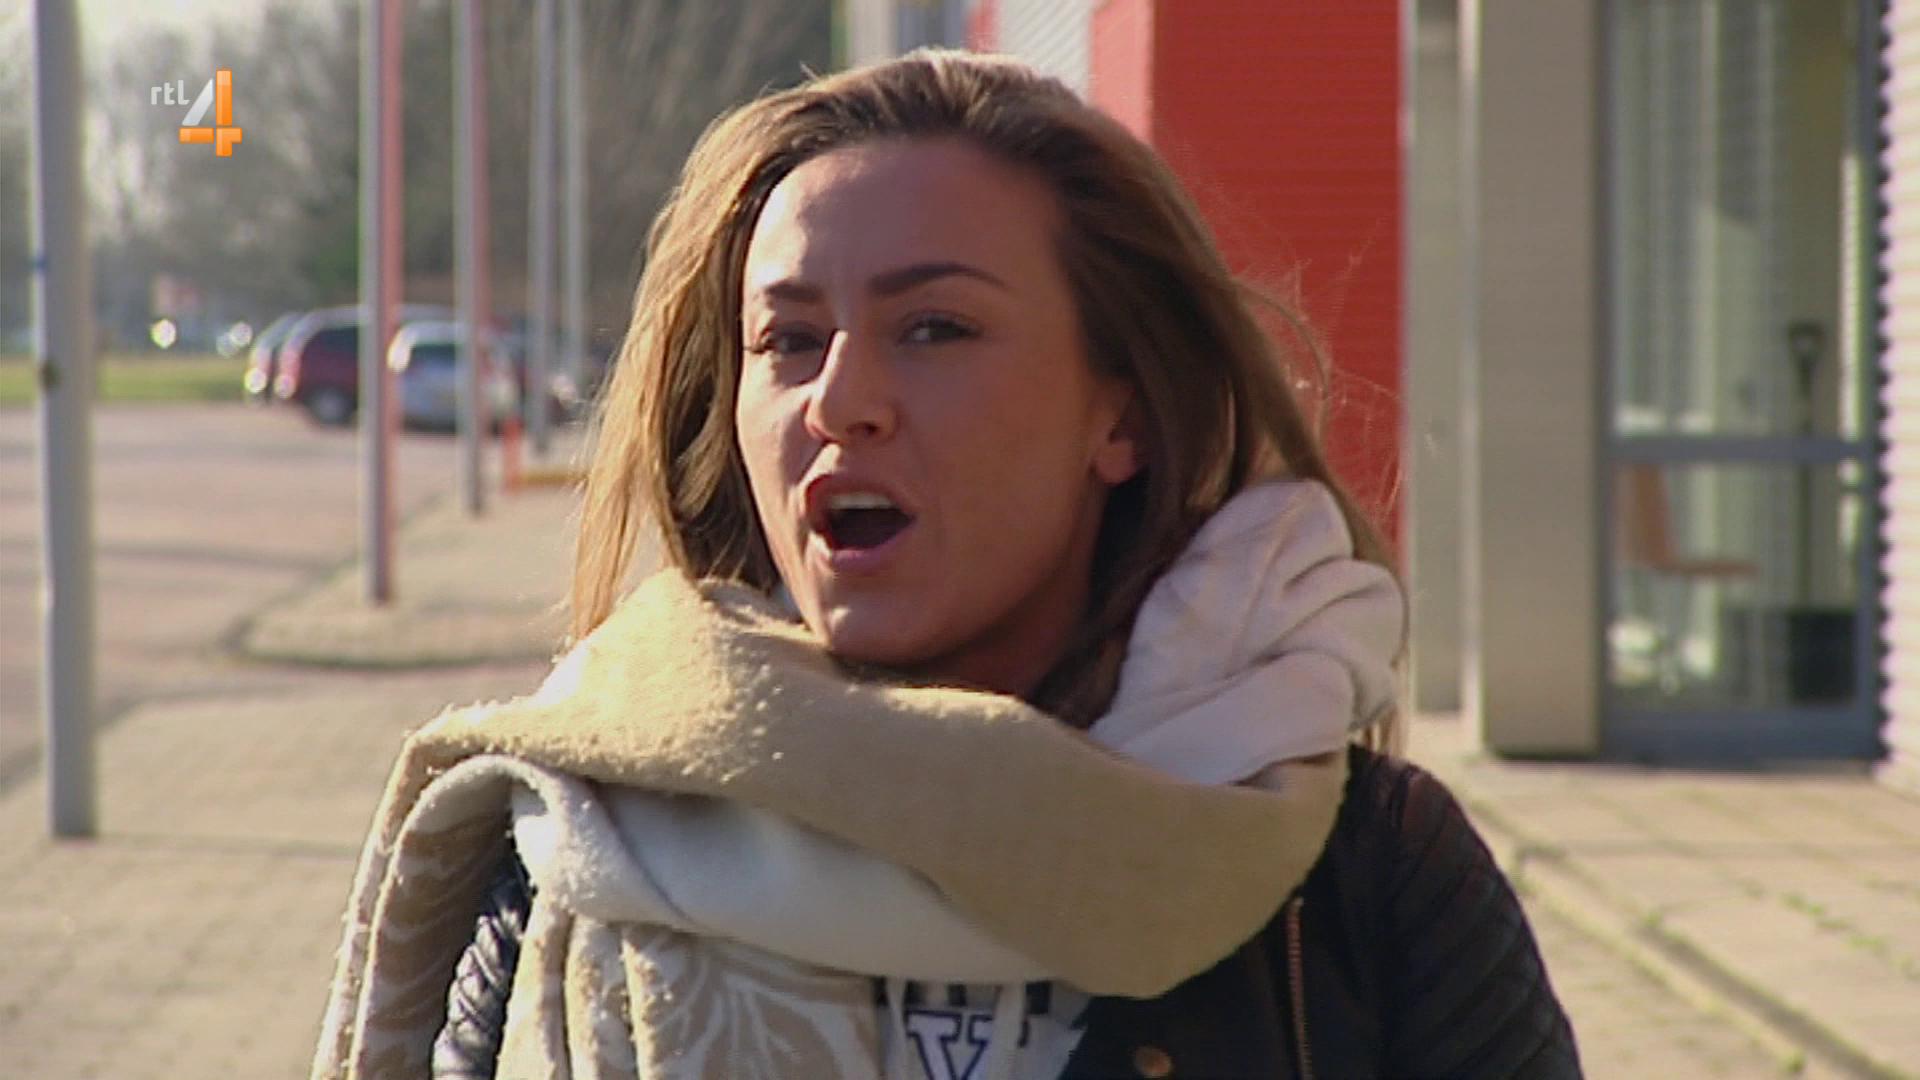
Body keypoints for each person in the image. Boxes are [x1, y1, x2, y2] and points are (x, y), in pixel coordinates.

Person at [312, 50, 1581, 1080]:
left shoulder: (1359, 878)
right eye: (789, 339)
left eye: (934, 328)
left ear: (1123, 415)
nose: (840, 402)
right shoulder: (575, 843)